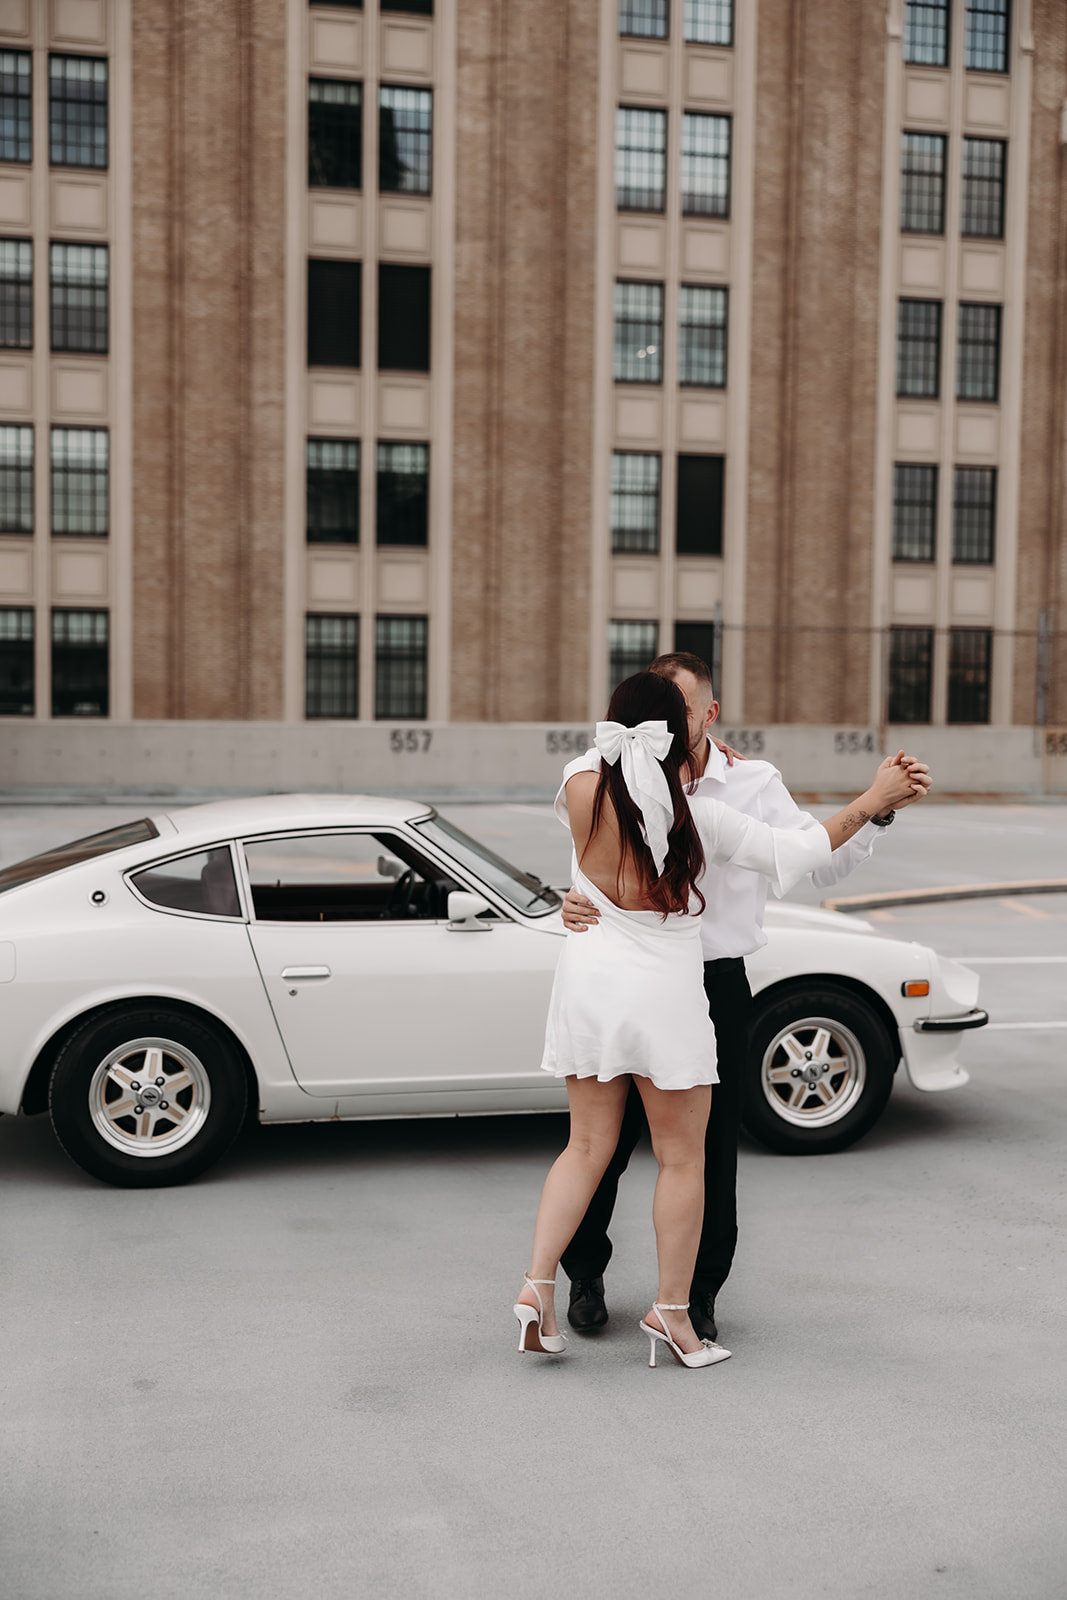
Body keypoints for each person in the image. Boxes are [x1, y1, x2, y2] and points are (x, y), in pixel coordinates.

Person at [514, 670, 923, 1369]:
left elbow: (586, 858)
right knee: (683, 1158)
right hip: (667, 990)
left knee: (584, 1148)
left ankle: (535, 1287)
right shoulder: (694, 816)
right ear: (683, 728)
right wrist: (871, 800)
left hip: (588, 979)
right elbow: (797, 854)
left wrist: (573, 895)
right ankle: (671, 1313)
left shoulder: (578, 784)